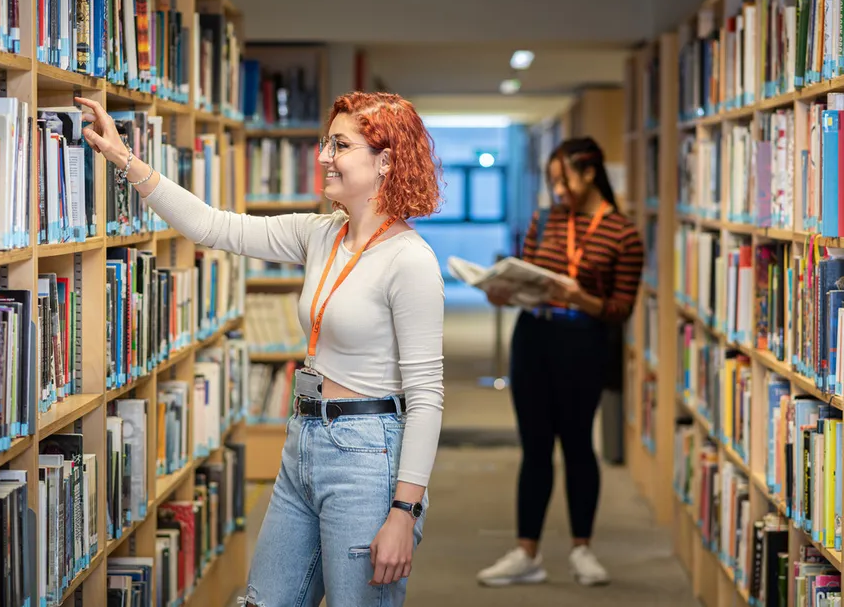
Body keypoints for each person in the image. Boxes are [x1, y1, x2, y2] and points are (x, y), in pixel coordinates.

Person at [75, 92, 445, 606]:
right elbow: (211, 225)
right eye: (325, 142)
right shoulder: (321, 235)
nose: (323, 156)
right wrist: (124, 158)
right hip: (304, 441)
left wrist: (405, 512)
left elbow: (426, 396)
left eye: (340, 144)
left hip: (367, 452)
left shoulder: (410, 261)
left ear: (385, 161)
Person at [476, 136, 644, 588]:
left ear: (590, 173)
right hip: (533, 336)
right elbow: (531, 276)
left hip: (582, 342)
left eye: (564, 180)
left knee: (576, 445)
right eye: (553, 182)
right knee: (534, 447)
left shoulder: (623, 234)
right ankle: (526, 552)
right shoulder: (544, 219)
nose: (558, 191)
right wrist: (503, 292)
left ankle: (582, 549)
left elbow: (621, 308)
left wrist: (582, 298)